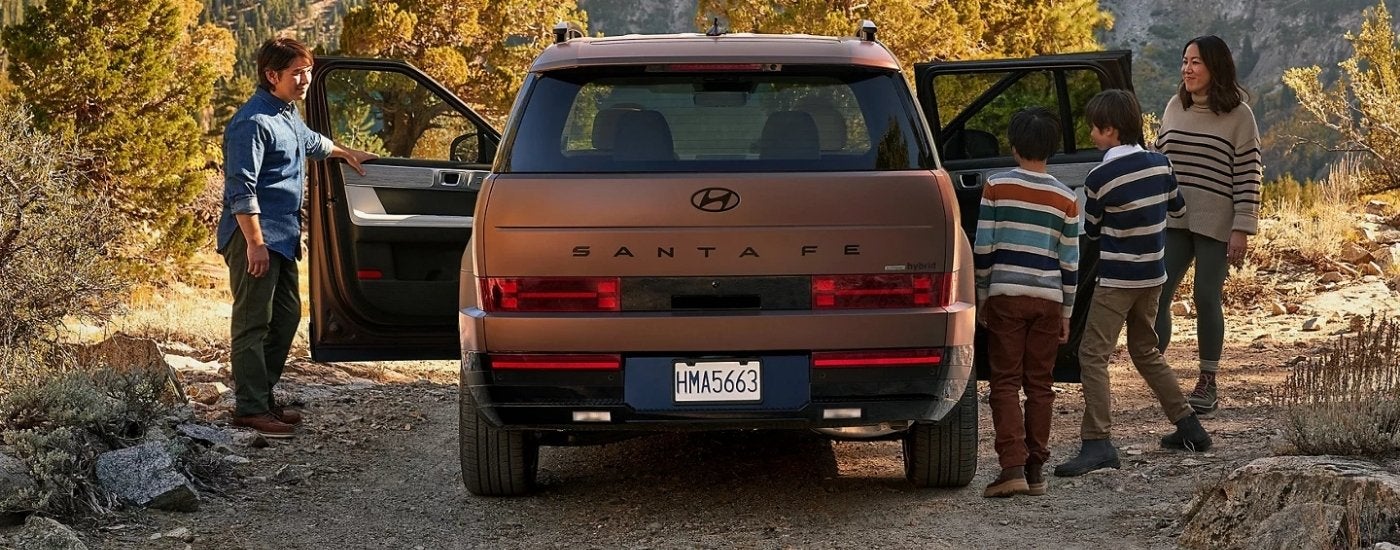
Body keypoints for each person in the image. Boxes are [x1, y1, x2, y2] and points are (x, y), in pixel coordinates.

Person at [218, 37, 377, 438]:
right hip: (255, 236)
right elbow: (242, 189)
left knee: (286, 315)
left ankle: (261, 396)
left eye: (307, 71)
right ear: (272, 75)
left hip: (283, 236)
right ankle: (250, 408)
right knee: (253, 323)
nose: (305, 79)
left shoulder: (286, 113)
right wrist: (254, 242)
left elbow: (310, 142)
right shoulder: (251, 123)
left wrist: (346, 152)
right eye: (297, 73)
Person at [1055, 90, 1213, 478]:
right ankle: (1189, 426)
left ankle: (1097, 442)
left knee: (1093, 355)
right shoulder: (1161, 164)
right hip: (1153, 277)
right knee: (1145, 350)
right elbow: (1177, 208)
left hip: (1117, 280)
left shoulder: (1099, 177)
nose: (1091, 135)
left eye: (1094, 128)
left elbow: (1090, 231)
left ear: (1109, 129)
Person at [1153, 35, 1263, 415]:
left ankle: (1207, 382)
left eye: (1195, 62)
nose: (1187, 68)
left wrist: (1242, 227)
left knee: (1205, 296)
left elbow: (1249, 173)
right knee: (1158, 294)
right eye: (1184, 61)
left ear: (1215, 67)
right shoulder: (1173, 106)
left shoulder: (1239, 116)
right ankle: (1160, 376)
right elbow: (1160, 161)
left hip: (1218, 222)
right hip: (1174, 218)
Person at [974, 107, 1080, 497]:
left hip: (1006, 297)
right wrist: (1067, 311)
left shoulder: (995, 186)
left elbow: (983, 246)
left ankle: (1012, 466)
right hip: (1049, 301)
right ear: (1051, 150)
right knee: (1040, 384)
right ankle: (1035, 471)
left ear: (1014, 146)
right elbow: (1070, 261)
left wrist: (983, 294)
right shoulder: (1067, 197)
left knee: (1004, 381)